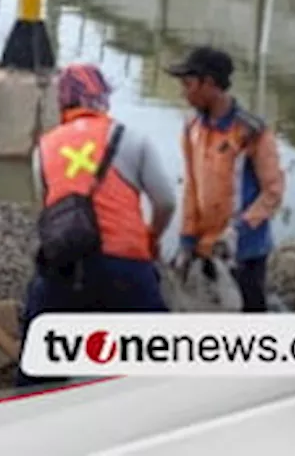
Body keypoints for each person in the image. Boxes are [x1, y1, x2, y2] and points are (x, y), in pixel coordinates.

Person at [15, 63, 176, 388]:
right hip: (125, 264)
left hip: (65, 266)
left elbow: (44, 208)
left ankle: (31, 411)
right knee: (160, 356)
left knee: (39, 356)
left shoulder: (43, 148)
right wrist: (153, 238)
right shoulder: (132, 139)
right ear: (102, 98)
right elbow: (167, 201)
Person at [166, 46, 285, 313]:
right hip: (205, 246)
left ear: (209, 83)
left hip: (244, 250)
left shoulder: (251, 132)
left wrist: (238, 230)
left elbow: (273, 191)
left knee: (250, 320)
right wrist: (186, 241)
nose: (183, 92)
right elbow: (192, 187)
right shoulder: (192, 128)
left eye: (188, 84)